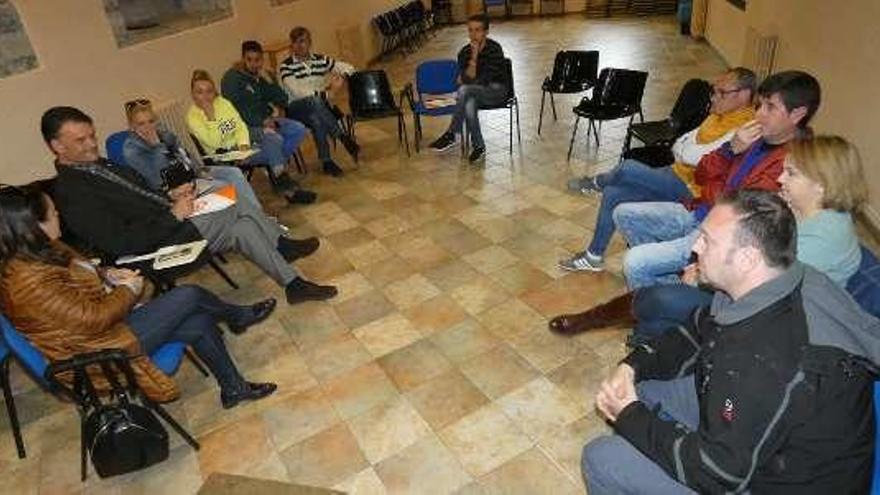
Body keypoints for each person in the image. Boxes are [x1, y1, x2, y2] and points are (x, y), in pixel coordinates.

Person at [582, 189, 880, 494]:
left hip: (775, 480)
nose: (695, 246)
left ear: (748, 259)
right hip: (766, 431)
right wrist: (634, 365)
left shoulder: (766, 363)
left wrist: (630, 417)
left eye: (707, 240)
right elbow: (697, 331)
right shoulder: (777, 280)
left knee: (602, 458)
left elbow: (719, 474)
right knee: (642, 387)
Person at [550, 135, 867, 337]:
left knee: (658, 294)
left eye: (792, 173)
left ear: (822, 184)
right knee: (661, 282)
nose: (781, 178)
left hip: (771, 322)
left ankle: (599, 321)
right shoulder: (804, 210)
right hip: (759, 298)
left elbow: (756, 290)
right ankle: (634, 322)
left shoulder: (824, 239)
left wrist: (705, 278)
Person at [0, 185, 278, 409]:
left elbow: (78, 277)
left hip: (102, 333)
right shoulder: (29, 280)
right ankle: (237, 317)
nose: (58, 213)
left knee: (198, 318)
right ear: (31, 226)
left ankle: (234, 389)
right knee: (189, 295)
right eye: (52, 212)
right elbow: (92, 319)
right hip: (95, 353)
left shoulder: (40, 250)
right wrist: (129, 291)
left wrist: (107, 274)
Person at [43, 106, 337, 305]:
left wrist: (169, 195)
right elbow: (120, 242)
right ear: (57, 146)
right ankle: (280, 243)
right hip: (151, 248)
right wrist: (172, 215)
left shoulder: (99, 164)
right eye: (81, 140)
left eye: (92, 135)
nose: (92, 144)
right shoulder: (72, 193)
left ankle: (294, 285)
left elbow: (140, 195)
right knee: (230, 203)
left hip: (170, 223)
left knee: (242, 223)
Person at [616, 70, 821, 289]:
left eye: (770, 107)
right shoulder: (752, 136)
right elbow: (702, 173)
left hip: (720, 233)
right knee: (623, 214)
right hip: (699, 210)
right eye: (759, 105)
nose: (759, 114)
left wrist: (718, 184)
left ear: (798, 114)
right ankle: (671, 289)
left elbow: (740, 207)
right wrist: (730, 149)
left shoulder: (793, 162)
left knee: (635, 262)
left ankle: (667, 298)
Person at [559, 68, 756, 272]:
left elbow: (695, 157)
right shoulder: (719, 114)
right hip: (676, 172)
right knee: (613, 193)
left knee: (627, 168)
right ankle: (594, 256)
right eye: (714, 91)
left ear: (743, 94)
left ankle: (596, 182)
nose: (714, 98)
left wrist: (685, 151)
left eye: (721, 93)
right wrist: (684, 151)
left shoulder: (744, 128)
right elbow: (681, 143)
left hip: (691, 189)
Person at [123, 99, 315, 208]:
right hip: (175, 190)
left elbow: (184, 154)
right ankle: (248, 217)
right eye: (141, 123)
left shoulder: (163, 133)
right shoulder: (132, 150)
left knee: (234, 173)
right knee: (224, 185)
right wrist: (157, 146)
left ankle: (258, 214)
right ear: (132, 127)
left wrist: (200, 170)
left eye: (151, 121)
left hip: (193, 174)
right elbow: (157, 180)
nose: (149, 127)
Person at [187, 69, 306, 198]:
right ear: (193, 94)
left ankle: (280, 177)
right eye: (199, 92)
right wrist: (211, 117)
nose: (205, 96)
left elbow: (240, 125)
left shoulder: (223, 103)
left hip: (242, 145)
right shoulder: (192, 117)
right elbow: (215, 143)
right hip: (224, 155)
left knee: (272, 137)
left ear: (214, 91)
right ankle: (283, 181)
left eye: (209, 91)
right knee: (274, 148)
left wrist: (243, 145)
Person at [221, 40, 315, 203]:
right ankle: (284, 181)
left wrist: (271, 81)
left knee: (298, 129)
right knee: (275, 138)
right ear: (243, 58)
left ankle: (276, 169)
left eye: (257, 60)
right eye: (249, 59)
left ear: (262, 60)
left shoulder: (260, 76)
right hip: (246, 127)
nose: (253, 64)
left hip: (268, 120)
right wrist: (261, 121)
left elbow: (282, 99)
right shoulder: (231, 79)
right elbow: (234, 111)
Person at [278, 26, 359, 177]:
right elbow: (298, 93)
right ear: (292, 45)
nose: (300, 45)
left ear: (310, 43)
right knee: (314, 102)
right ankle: (342, 137)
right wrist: (329, 93)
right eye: (296, 42)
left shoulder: (321, 59)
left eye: (303, 41)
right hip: (296, 108)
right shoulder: (286, 66)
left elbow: (349, 67)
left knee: (316, 118)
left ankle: (327, 162)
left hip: (318, 107)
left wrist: (342, 78)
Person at [428, 14, 507, 164]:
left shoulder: (495, 49)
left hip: (497, 91)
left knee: (465, 91)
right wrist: (474, 58)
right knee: (469, 102)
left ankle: (452, 134)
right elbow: (464, 80)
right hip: (474, 92)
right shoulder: (464, 52)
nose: (473, 34)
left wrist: (468, 80)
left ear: (486, 31)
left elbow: (484, 80)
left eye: (478, 30)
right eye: (470, 30)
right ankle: (479, 147)